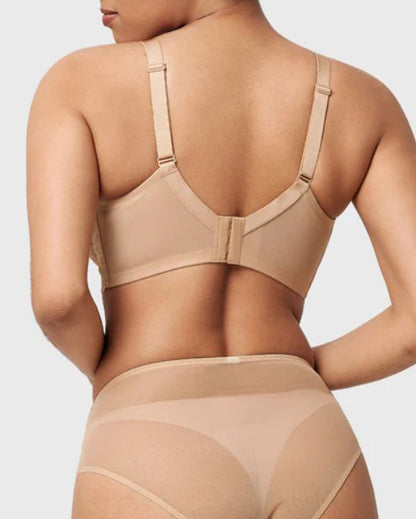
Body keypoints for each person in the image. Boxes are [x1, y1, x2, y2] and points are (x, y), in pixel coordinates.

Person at [26, 1, 416, 517]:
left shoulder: (80, 83)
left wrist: (112, 375)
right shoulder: (365, 101)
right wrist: (299, 367)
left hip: (149, 444)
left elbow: (58, 301)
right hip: (314, 442)